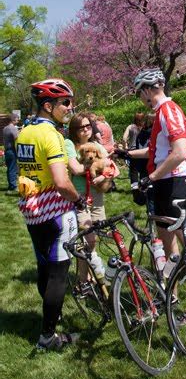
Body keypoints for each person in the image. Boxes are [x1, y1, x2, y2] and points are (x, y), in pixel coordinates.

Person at [119, 68, 186, 312]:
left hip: (173, 183)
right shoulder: (160, 113)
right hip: (163, 184)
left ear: (148, 91)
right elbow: (156, 151)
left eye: (139, 93)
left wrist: (152, 176)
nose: (140, 98)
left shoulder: (169, 110)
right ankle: (172, 295)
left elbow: (181, 152)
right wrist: (126, 153)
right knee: (169, 245)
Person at [16, 79, 84, 351]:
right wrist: (78, 200)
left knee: (44, 268)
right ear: (48, 105)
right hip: (55, 211)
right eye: (65, 102)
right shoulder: (51, 135)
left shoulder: (25, 132)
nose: (70, 107)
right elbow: (61, 182)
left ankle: (51, 316)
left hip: (33, 211)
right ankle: (48, 336)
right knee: (59, 273)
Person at [65, 113, 110, 282]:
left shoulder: (97, 145)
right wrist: (96, 165)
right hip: (80, 196)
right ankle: (82, 281)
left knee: (94, 238)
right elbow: (76, 170)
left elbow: (112, 167)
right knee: (87, 237)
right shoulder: (69, 144)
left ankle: (90, 277)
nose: (85, 130)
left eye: (88, 126)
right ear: (74, 130)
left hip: (97, 194)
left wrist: (105, 174)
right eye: (81, 127)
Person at [123, 112, 147, 205]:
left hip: (132, 152)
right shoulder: (145, 127)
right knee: (143, 171)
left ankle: (135, 189)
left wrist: (125, 147)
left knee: (133, 172)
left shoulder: (130, 127)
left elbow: (124, 138)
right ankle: (143, 188)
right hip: (143, 152)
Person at [3, 114, 19, 191]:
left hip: (6, 150)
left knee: (9, 168)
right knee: (13, 168)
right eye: (17, 119)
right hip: (12, 150)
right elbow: (16, 138)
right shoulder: (13, 128)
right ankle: (13, 186)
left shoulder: (5, 128)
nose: (18, 121)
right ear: (13, 120)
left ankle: (10, 185)